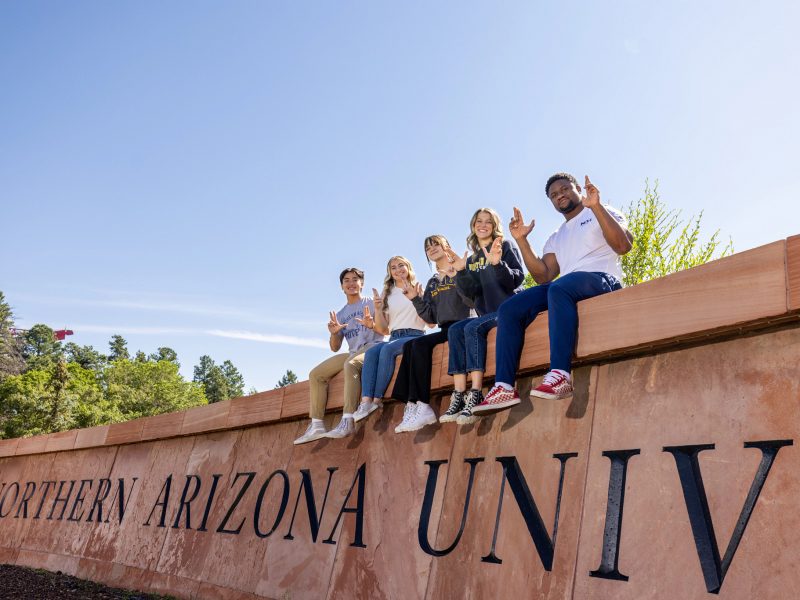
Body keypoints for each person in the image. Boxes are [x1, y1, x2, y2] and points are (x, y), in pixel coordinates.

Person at [472, 173, 633, 415]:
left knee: (560, 287)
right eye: (554, 195)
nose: (560, 196)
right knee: (510, 308)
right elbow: (544, 275)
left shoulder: (600, 211)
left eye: (565, 189)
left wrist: (597, 206)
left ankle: (560, 375)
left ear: (578, 188)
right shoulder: (557, 236)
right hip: (568, 286)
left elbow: (623, 246)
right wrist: (522, 240)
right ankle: (504, 386)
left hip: (602, 279)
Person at [440, 208, 525, 425]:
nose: (483, 225)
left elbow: (517, 278)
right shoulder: (473, 258)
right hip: (485, 313)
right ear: (473, 225)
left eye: (488, 221)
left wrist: (497, 263)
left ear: (494, 226)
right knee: (455, 329)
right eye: (479, 221)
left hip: (507, 311)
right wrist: (461, 270)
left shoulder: (504, 245)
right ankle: (459, 394)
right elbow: (470, 293)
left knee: (472, 328)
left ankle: (476, 392)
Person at [390, 235, 473, 433]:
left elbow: (472, 301)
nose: (432, 248)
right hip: (444, 328)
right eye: (428, 247)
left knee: (418, 345)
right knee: (410, 345)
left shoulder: (461, 269)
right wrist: (414, 299)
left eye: (436, 244)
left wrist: (458, 277)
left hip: (463, 325)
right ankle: (413, 405)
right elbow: (431, 318)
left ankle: (424, 405)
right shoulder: (433, 283)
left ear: (447, 247)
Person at [293, 267, 385, 445]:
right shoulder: (341, 314)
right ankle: (317, 424)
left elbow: (385, 331)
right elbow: (334, 348)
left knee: (350, 364)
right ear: (342, 287)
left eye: (355, 279)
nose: (351, 283)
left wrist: (372, 323)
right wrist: (334, 333)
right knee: (316, 374)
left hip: (373, 347)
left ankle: (348, 419)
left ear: (362, 283)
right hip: (352, 352)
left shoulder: (371, 303)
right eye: (347, 280)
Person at [352, 256, 428, 424]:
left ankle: (377, 400)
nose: (397, 269)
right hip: (394, 336)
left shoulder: (419, 288)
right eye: (393, 267)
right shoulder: (388, 293)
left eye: (401, 265)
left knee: (387, 349)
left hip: (414, 335)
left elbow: (429, 321)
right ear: (390, 273)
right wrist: (378, 310)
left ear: (408, 267)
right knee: (372, 352)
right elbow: (383, 329)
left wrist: (417, 298)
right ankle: (366, 403)